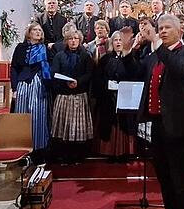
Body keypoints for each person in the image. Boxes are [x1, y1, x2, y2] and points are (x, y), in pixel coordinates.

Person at [139, 14, 184, 209]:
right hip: (156, 124)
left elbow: (180, 70)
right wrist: (128, 51)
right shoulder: (155, 56)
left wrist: (156, 43)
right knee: (163, 175)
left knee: (179, 176)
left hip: (176, 125)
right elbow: (138, 72)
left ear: (179, 31)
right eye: (160, 28)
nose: (162, 31)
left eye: (166, 28)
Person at [93, 31, 141, 162]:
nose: (118, 42)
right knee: (109, 125)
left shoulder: (131, 59)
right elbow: (97, 79)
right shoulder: (105, 59)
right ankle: (110, 152)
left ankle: (125, 152)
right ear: (111, 43)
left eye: (121, 40)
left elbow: (135, 77)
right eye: (116, 40)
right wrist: (107, 84)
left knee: (125, 125)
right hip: (109, 99)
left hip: (125, 100)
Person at [50, 29, 94, 164]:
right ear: (66, 41)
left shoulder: (85, 56)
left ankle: (78, 156)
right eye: (70, 39)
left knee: (78, 128)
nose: (73, 41)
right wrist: (66, 83)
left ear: (80, 41)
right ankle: (64, 156)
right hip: (64, 96)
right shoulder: (59, 55)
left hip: (79, 95)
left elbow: (89, 73)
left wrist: (78, 82)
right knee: (64, 127)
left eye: (76, 38)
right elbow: (54, 73)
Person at [11, 22, 53, 162]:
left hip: (39, 84)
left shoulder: (44, 48)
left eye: (40, 30)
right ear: (29, 33)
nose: (38, 32)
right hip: (23, 84)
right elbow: (14, 68)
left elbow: (48, 68)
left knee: (38, 117)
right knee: (22, 116)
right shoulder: (20, 48)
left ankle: (38, 150)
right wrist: (14, 88)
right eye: (34, 30)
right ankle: (21, 150)